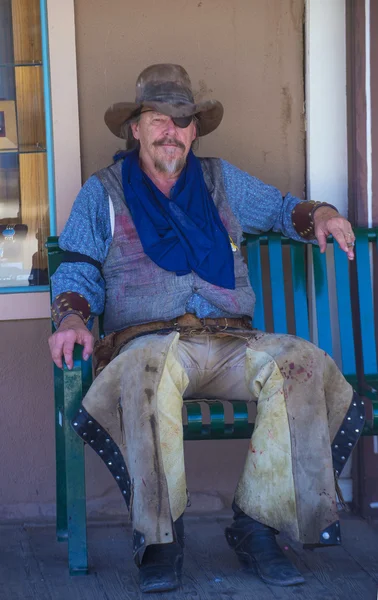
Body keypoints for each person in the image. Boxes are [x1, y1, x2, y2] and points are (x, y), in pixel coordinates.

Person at [48, 64, 365, 594]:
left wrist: (324, 215)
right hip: (147, 342)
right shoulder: (101, 192)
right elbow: (77, 264)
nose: (170, 131)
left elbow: (285, 210)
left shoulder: (221, 180)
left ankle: (258, 526)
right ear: (136, 128)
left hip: (230, 340)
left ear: (194, 129)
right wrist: (73, 316)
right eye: (157, 119)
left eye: (181, 120)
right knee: (147, 372)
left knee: (304, 363)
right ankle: (159, 539)